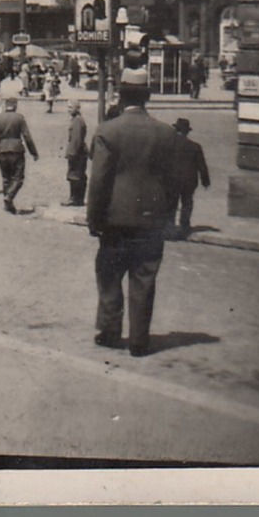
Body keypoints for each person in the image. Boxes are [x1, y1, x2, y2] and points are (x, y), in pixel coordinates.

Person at [86, 68, 182, 358]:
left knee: (110, 274)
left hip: (115, 220)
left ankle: (110, 331)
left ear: (121, 94)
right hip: (151, 221)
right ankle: (140, 340)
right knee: (144, 278)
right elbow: (173, 181)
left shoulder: (108, 130)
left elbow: (99, 181)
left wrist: (94, 219)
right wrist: (168, 219)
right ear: (147, 97)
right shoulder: (166, 133)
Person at [0, 96, 39, 214]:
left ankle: (8, 204)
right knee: (18, 177)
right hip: (17, 150)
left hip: (2, 150)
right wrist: (33, 152)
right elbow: (27, 136)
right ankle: (9, 197)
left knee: (6, 178)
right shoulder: (19, 118)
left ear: (6, 106)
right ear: (15, 105)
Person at [170, 117, 211, 235]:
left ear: (176, 129)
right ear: (187, 131)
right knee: (187, 202)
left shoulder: (169, 144)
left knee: (172, 202)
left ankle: (169, 226)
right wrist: (205, 181)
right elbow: (202, 166)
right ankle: (185, 226)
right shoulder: (195, 146)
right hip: (189, 180)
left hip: (172, 179)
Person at [62, 100, 89, 206]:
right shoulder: (77, 120)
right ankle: (77, 198)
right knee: (78, 174)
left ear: (77, 108)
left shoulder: (77, 121)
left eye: (71, 107)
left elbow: (76, 140)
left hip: (77, 152)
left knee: (75, 175)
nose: (68, 110)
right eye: (68, 107)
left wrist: (72, 153)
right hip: (79, 150)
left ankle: (75, 199)